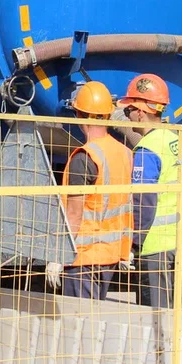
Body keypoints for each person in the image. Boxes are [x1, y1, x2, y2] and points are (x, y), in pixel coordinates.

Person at [50, 81, 134, 301]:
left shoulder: (85, 157)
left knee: (79, 318)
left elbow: (74, 213)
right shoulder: (124, 152)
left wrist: (58, 255)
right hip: (111, 254)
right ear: (108, 115)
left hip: (83, 257)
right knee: (93, 316)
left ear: (79, 115)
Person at [119, 74, 182, 309]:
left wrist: (134, 243)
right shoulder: (176, 141)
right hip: (181, 239)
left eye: (128, 110)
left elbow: (144, 201)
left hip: (156, 245)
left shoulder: (147, 150)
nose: (127, 116)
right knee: (171, 310)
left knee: (153, 313)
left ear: (140, 112)